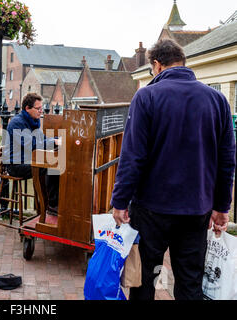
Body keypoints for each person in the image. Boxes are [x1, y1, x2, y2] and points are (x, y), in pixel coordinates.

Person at [111, 39, 236, 300]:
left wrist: (120, 201)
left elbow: (132, 156)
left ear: (156, 65)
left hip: (151, 208)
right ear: (183, 62)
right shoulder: (218, 100)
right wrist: (222, 206)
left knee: (143, 279)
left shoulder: (146, 96)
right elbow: (227, 160)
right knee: (190, 282)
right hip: (196, 207)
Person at [2, 93, 61, 215]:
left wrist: (57, 140)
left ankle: (48, 205)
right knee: (50, 168)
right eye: (38, 108)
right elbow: (32, 145)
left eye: (42, 108)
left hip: (27, 160)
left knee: (55, 165)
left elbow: (42, 140)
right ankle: (50, 206)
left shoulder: (33, 122)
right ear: (27, 108)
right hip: (15, 165)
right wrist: (54, 142)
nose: (41, 111)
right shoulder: (17, 123)